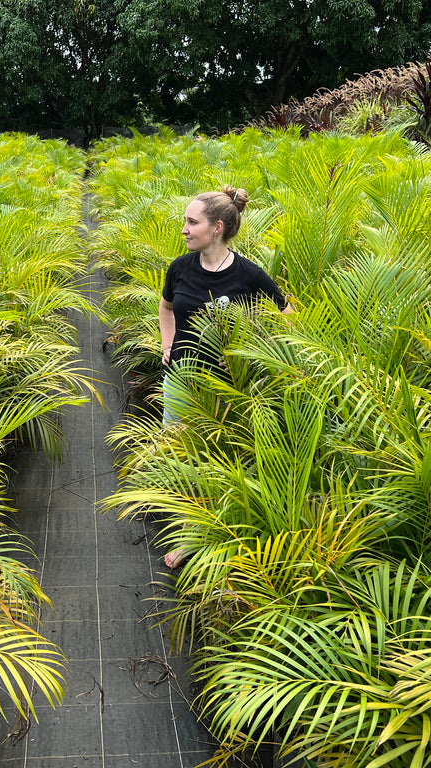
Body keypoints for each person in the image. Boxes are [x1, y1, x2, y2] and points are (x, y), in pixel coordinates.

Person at [158, 185, 293, 568]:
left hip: (226, 385)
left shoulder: (248, 274)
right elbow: (166, 308)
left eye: (191, 222)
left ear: (216, 227)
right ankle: (189, 527)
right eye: (185, 221)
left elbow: (287, 313)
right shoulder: (180, 268)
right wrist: (167, 345)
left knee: (217, 458)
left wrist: (262, 352)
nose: (183, 229)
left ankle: (203, 536)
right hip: (182, 378)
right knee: (182, 456)